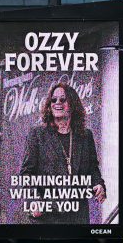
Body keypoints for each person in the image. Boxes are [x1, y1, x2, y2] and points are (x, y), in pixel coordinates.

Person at [20, 83, 107, 224]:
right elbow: (26, 173)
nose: (57, 103)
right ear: (49, 105)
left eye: (62, 99)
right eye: (53, 100)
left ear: (72, 104)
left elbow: (92, 169)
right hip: (46, 217)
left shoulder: (85, 136)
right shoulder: (37, 134)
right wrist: (33, 200)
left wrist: (98, 184)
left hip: (78, 216)